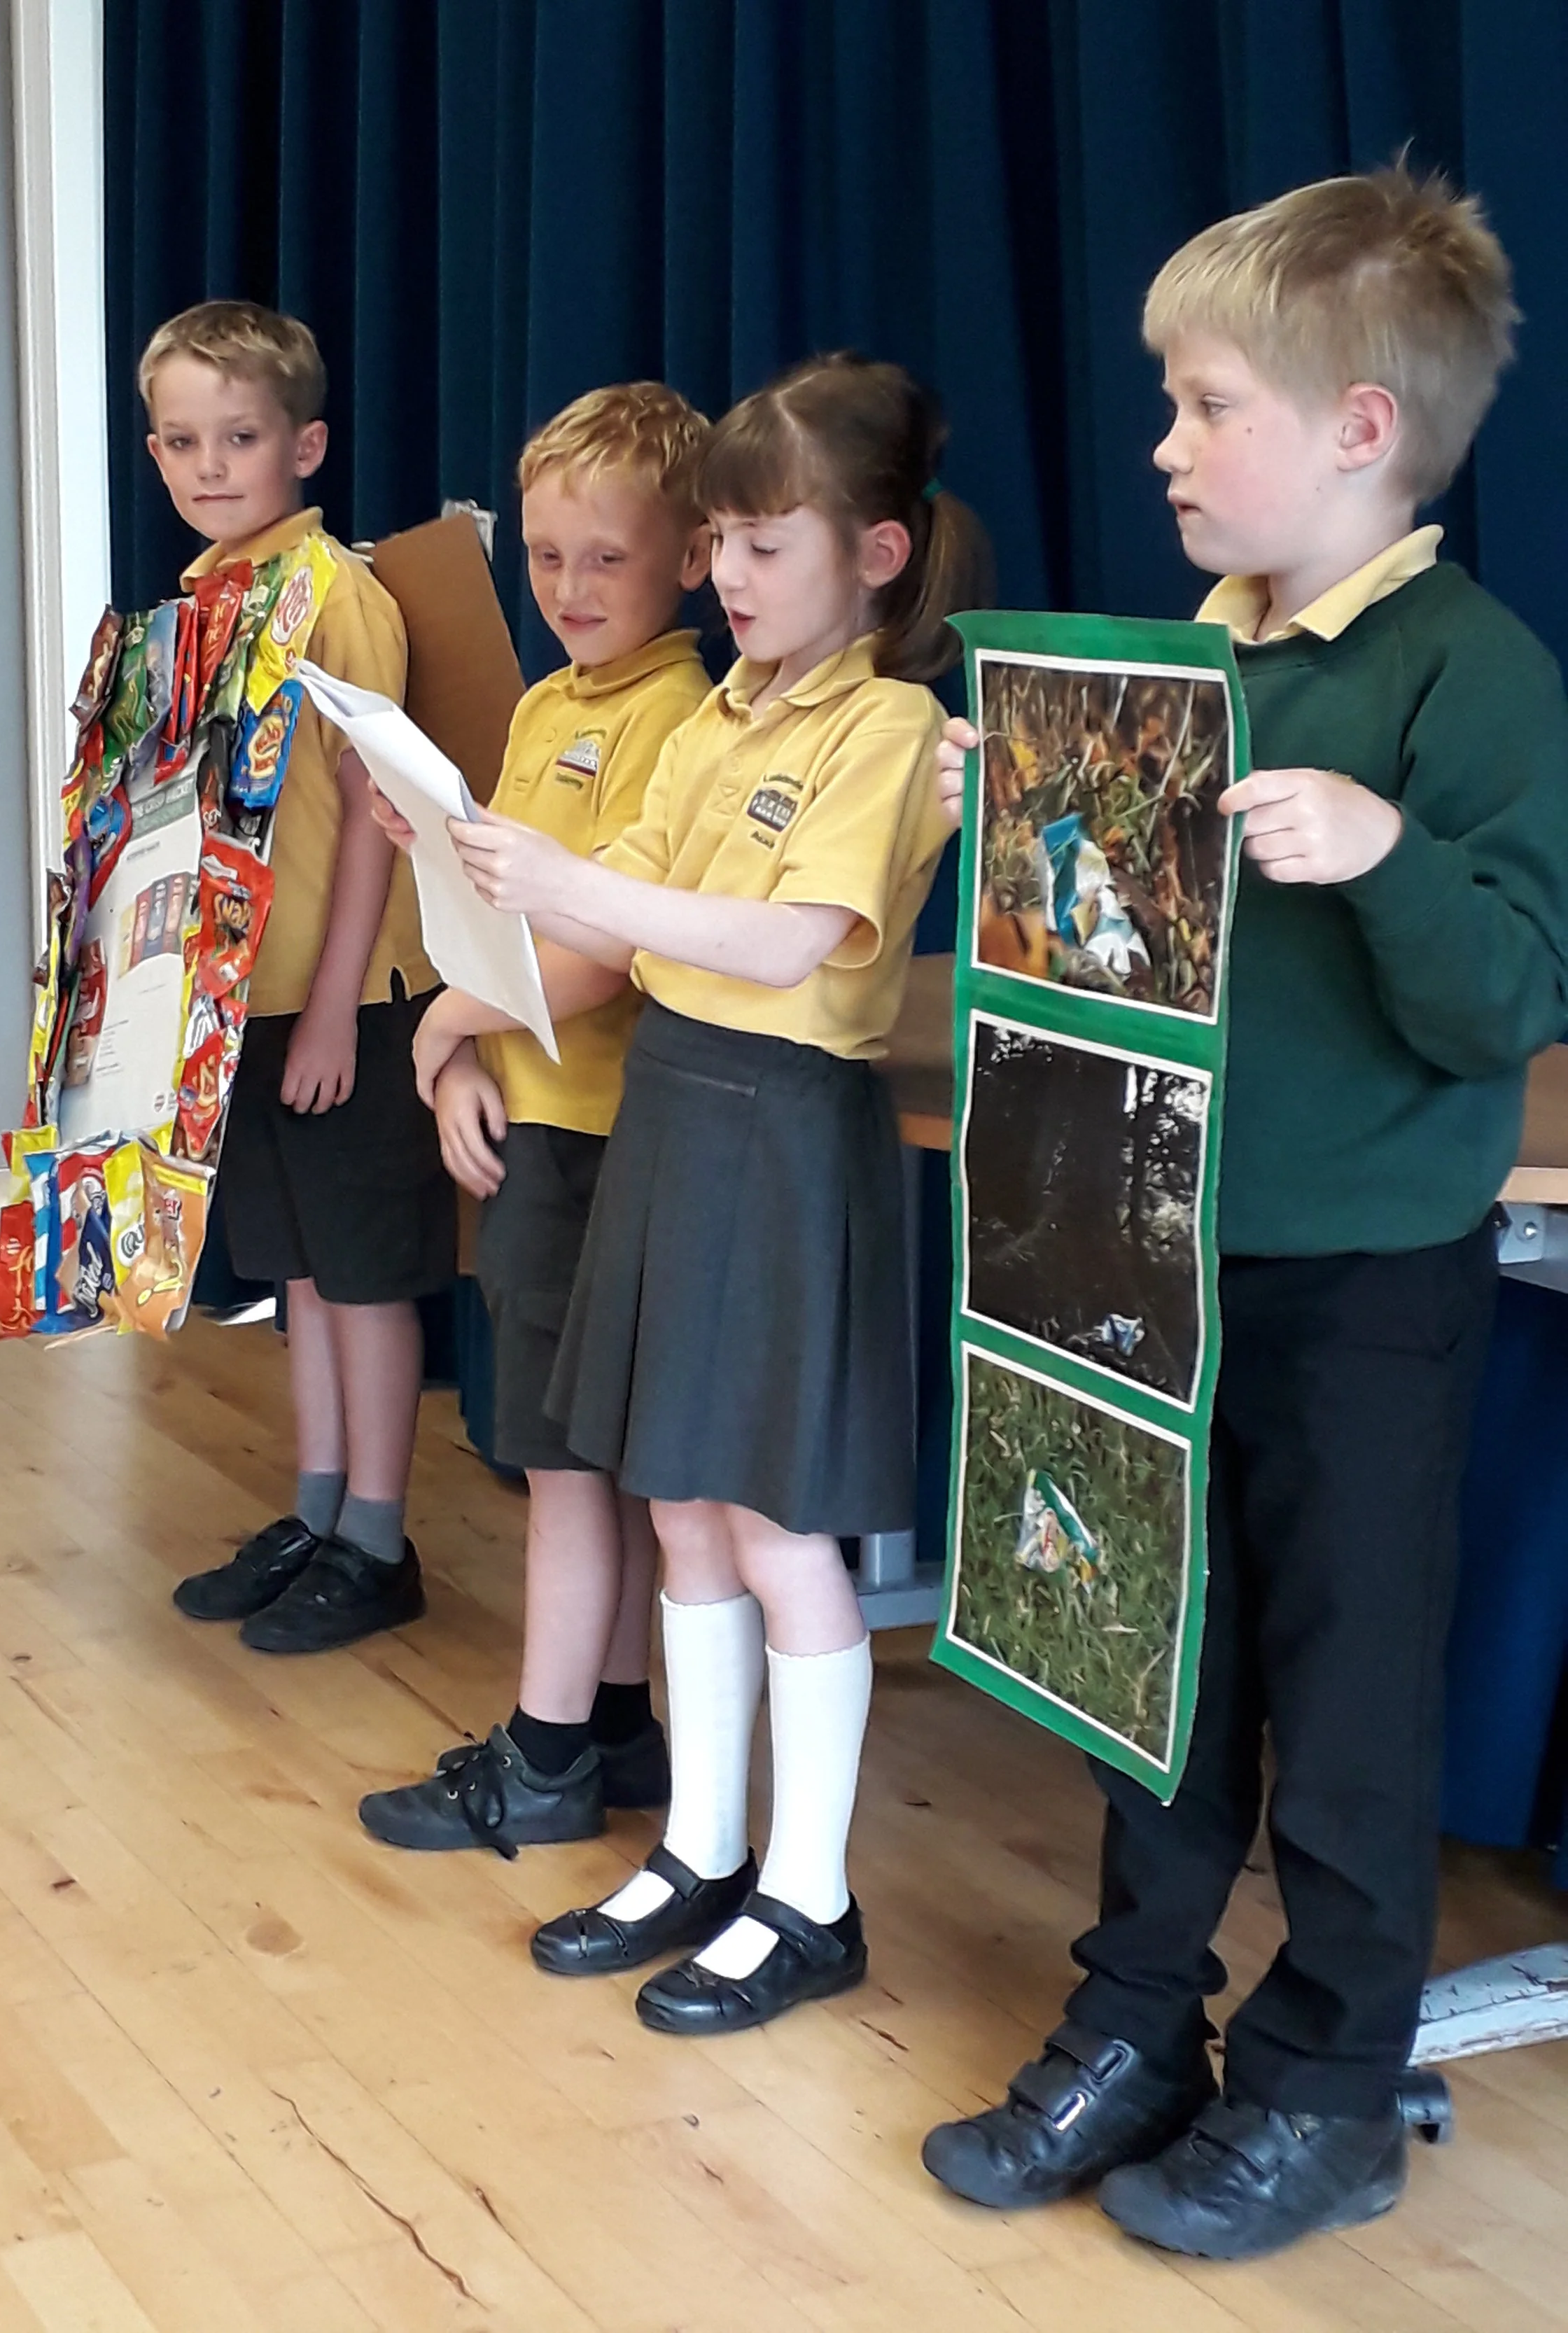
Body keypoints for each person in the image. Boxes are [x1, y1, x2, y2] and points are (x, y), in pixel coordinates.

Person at [922, 165, 1568, 2260]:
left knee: (1348, 1687)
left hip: (1359, 1279)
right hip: (1142, 1253)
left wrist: (1382, 851)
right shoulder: (1174, 662)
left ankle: (1329, 2082)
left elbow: (1503, 996)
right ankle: (1135, 2019)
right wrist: (1009, 809)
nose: (1163, 448)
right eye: (1169, 405)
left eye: (1206, 408)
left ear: (1359, 427)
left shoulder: (1467, 672)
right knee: (1150, 1660)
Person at [438, 353, 988, 2031]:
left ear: (873, 554)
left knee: (769, 1518)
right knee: (678, 1500)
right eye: (723, 544)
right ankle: (699, 1846)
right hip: (674, 1108)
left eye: (763, 544)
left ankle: (808, 1893)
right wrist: (473, 902)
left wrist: (568, 883)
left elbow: (782, 941)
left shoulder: (887, 726)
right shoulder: (725, 711)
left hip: (778, 1121)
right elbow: (619, 907)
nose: (729, 576)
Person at [356, 383, 713, 1854]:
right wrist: (457, 1051)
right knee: (579, 1459)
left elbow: (606, 946)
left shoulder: (676, 715)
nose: (569, 587)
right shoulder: (549, 706)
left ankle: (547, 1753)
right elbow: (489, 918)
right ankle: (614, 1726)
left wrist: (450, 1027)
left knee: (566, 1469)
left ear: (693, 555)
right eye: (548, 556)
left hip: (603, 1132)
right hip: (533, 1115)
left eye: (605, 558)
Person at [157, 301, 455, 1654]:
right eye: (181, 442)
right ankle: (320, 1510)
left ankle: (379, 1541)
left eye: (239, 437)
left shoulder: (338, 595)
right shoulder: (199, 601)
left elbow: (378, 820)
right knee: (303, 1277)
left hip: (352, 1001)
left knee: (365, 1275)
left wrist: (335, 1005)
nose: (208, 465)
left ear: (307, 446)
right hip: (245, 1000)